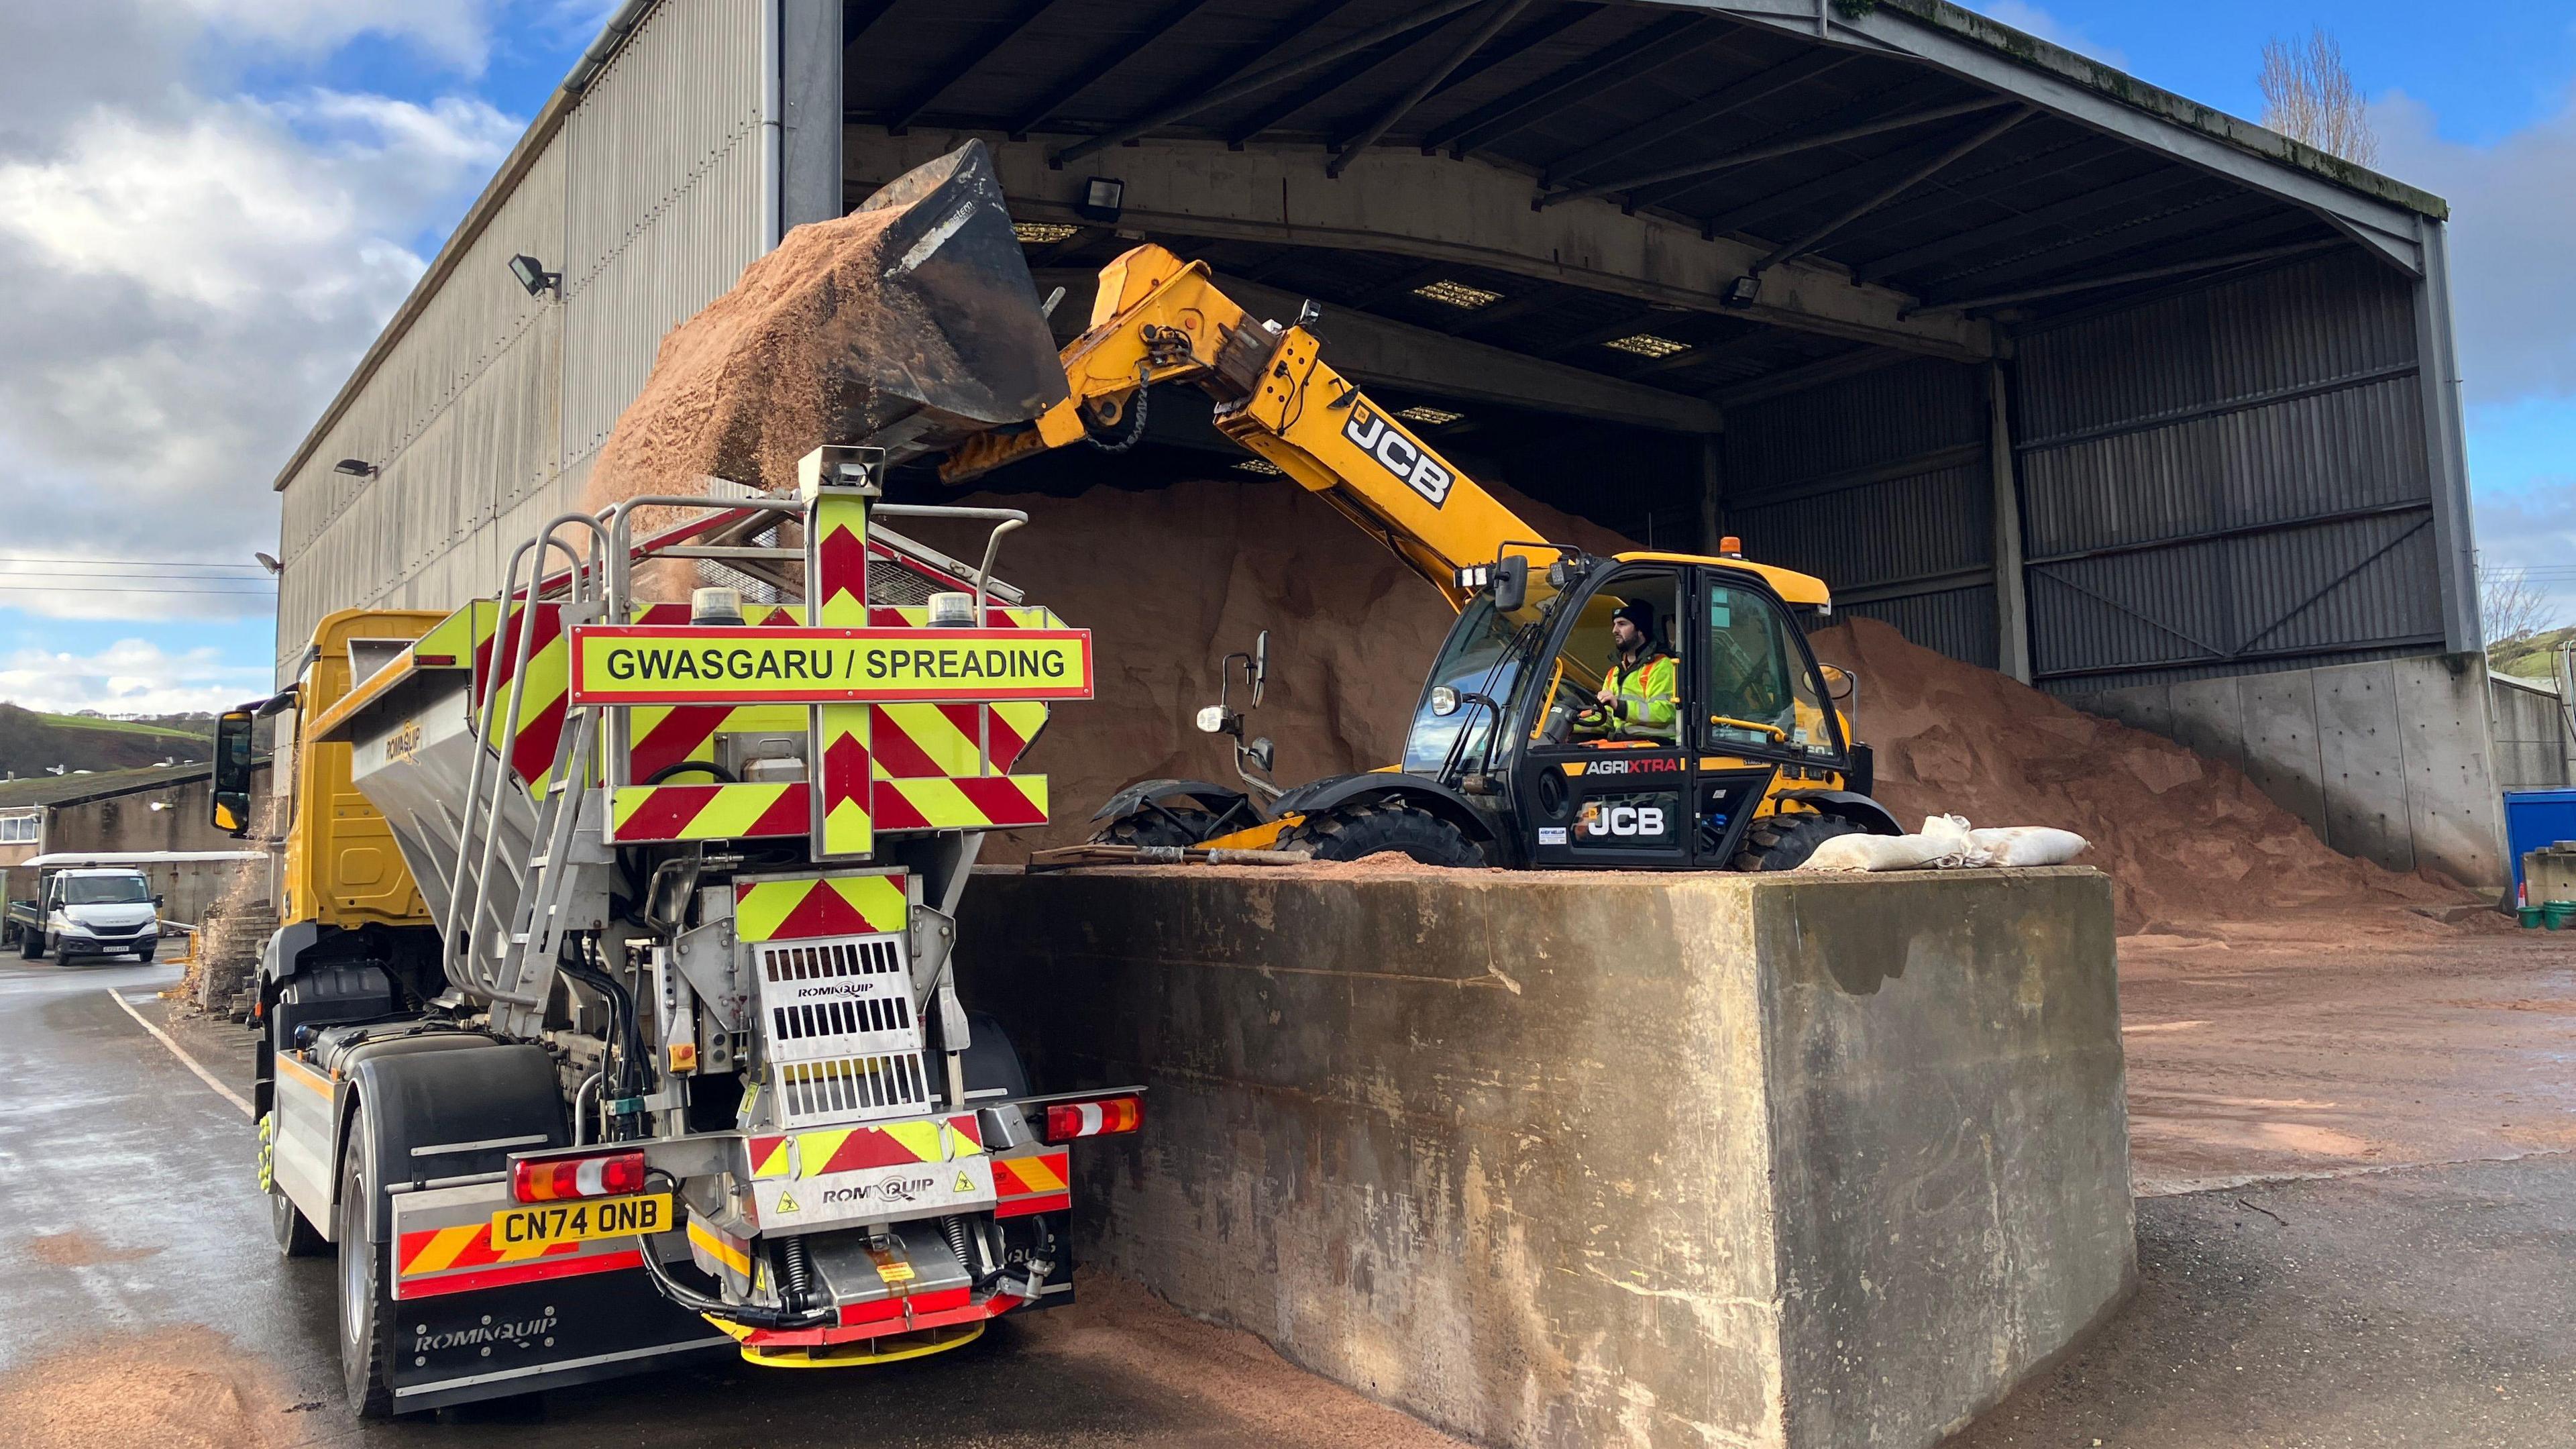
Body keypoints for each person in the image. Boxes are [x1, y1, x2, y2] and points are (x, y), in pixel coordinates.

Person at [1576, 599, 1678, 742]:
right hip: (1623, 744)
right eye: (1614, 624)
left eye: (1622, 624)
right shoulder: (1614, 673)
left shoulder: (1662, 665)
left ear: (1640, 630)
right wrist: (1572, 722)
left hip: (1656, 748)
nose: (1614, 630)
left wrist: (1620, 707)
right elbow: (1606, 718)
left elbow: (1667, 712)